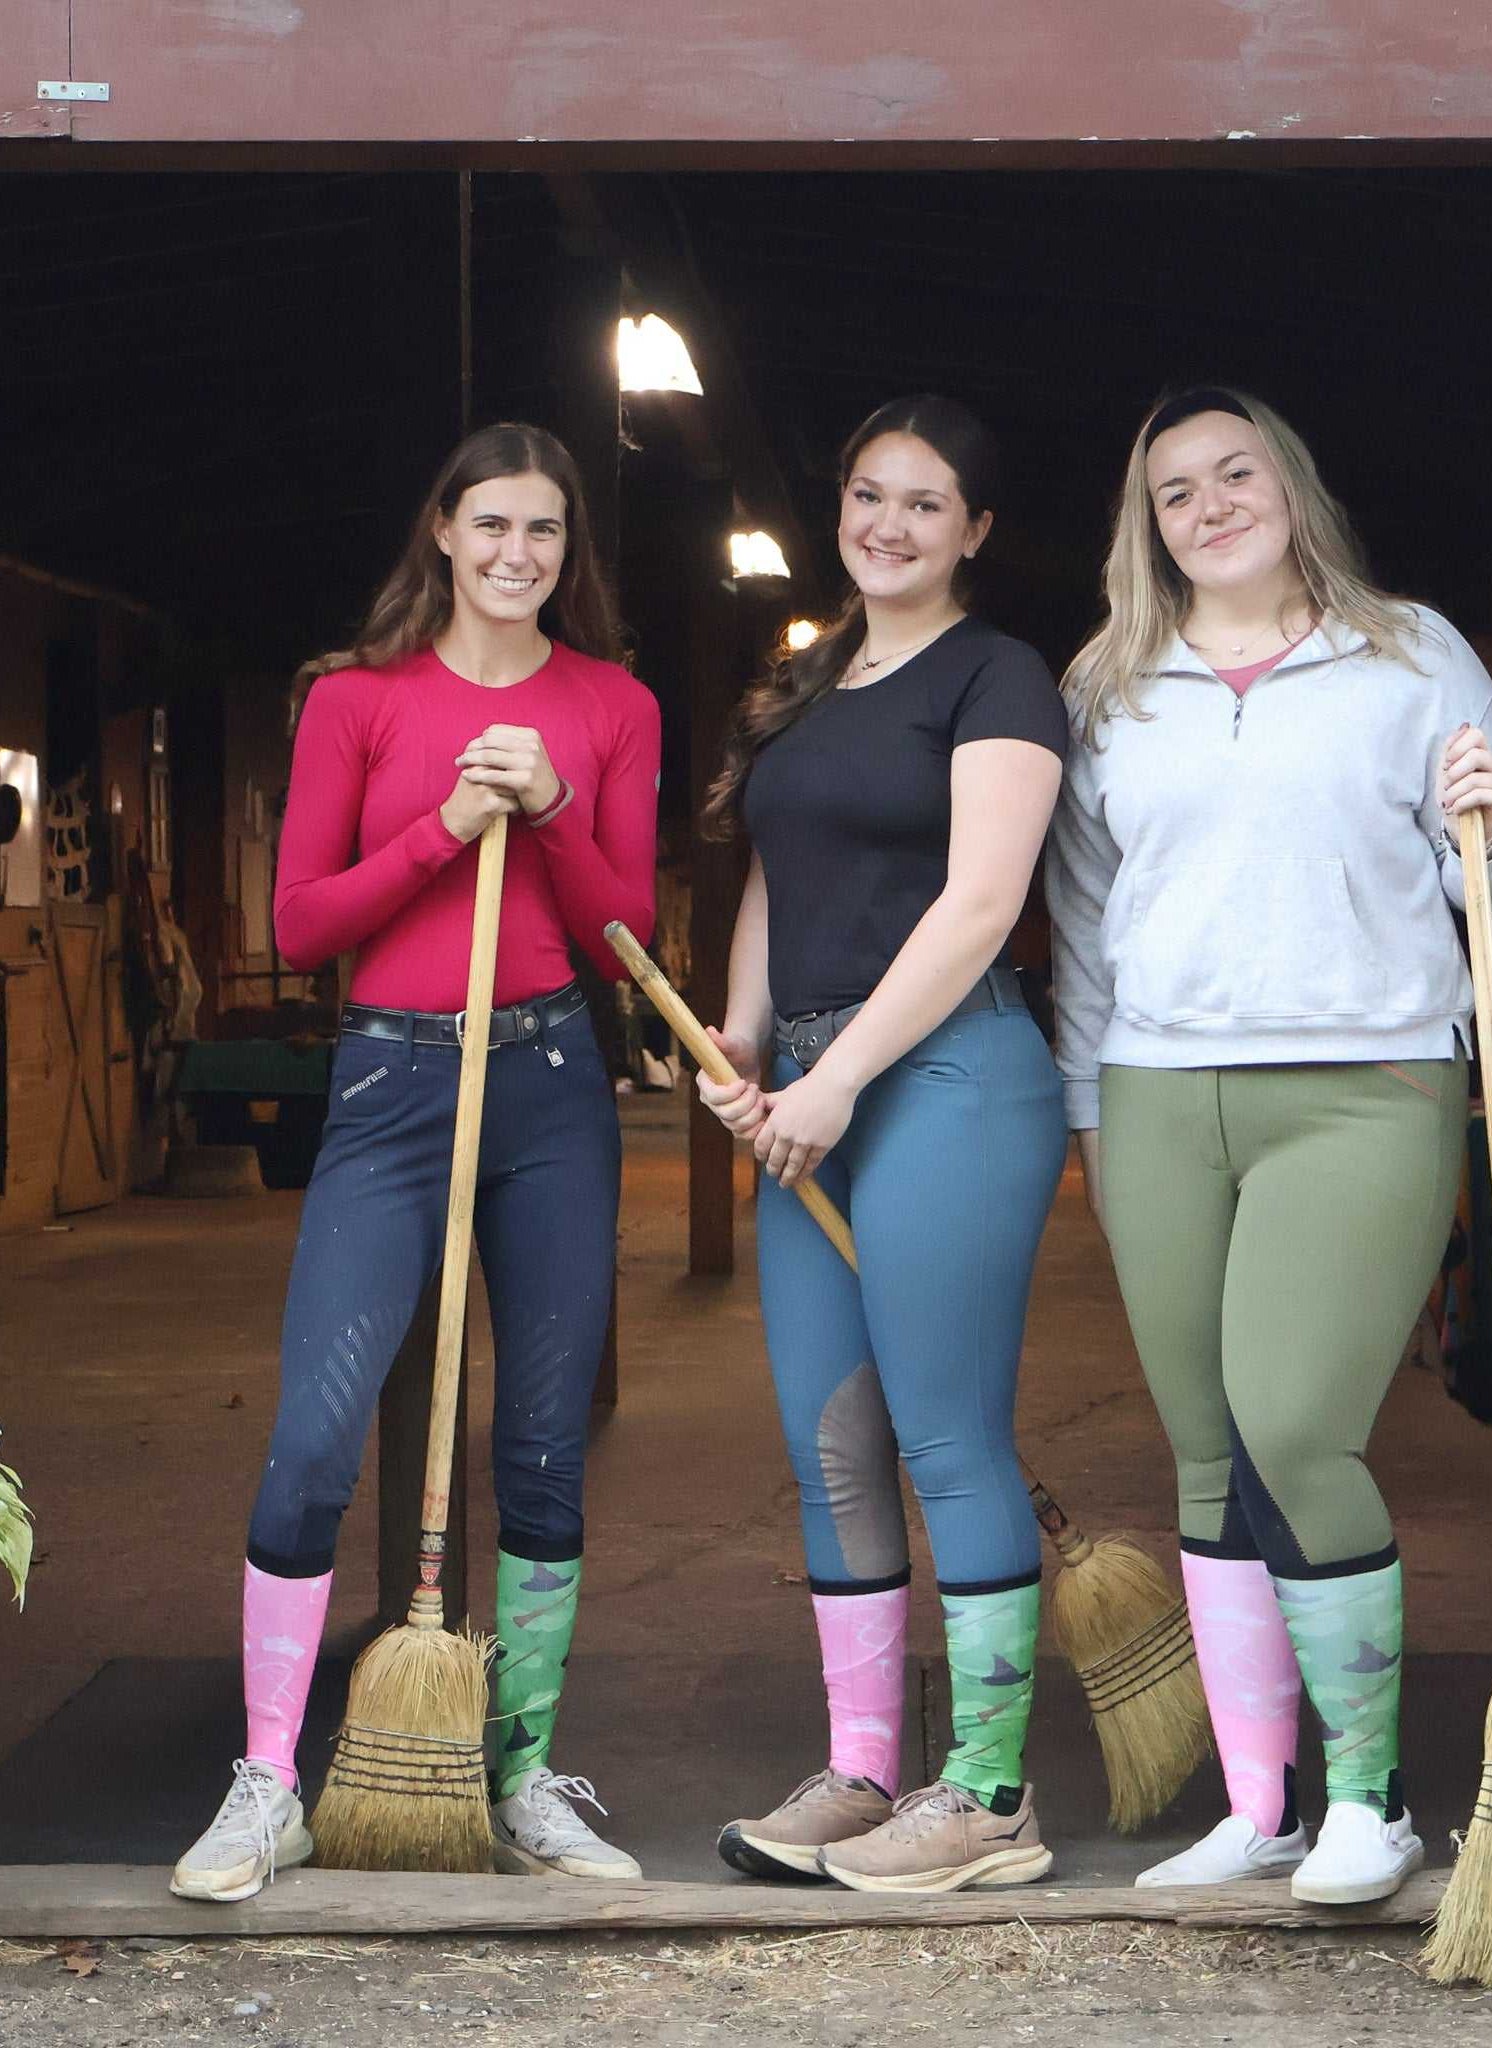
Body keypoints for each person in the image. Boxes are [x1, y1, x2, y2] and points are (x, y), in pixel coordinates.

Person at [1046, 387, 1492, 1905]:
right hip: (1152, 1093)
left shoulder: (1406, 650)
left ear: (1288, 484)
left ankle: (1368, 1800)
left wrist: (1487, 815)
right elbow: (1077, 915)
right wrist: (1089, 1104)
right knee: (1204, 1448)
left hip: (1364, 1082)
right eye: (1174, 491)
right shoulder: (1110, 682)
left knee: (1288, 1425)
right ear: (1148, 527)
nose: (1208, 506)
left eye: (1232, 474)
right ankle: (1257, 1807)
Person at [170, 422, 661, 1901]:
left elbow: (618, 931)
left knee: (542, 1447)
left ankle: (520, 1774)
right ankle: (269, 1781)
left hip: (553, 1080)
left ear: (570, 555)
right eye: (493, 526)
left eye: (548, 534)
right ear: (442, 532)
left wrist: (557, 812)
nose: (519, 556)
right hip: (391, 1080)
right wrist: (451, 823)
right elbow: (308, 922)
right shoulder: (357, 702)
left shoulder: (612, 703)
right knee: (315, 1441)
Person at [698, 396, 1068, 1893]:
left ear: (974, 529)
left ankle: (985, 1795)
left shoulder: (1000, 674)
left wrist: (839, 1072)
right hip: (814, 1084)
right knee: (828, 1437)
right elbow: (779, 877)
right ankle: (863, 1772)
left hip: (950, 1073)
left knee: (940, 1430)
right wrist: (742, 1040)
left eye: (926, 503)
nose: (888, 525)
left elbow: (978, 900)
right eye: (866, 495)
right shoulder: (806, 684)